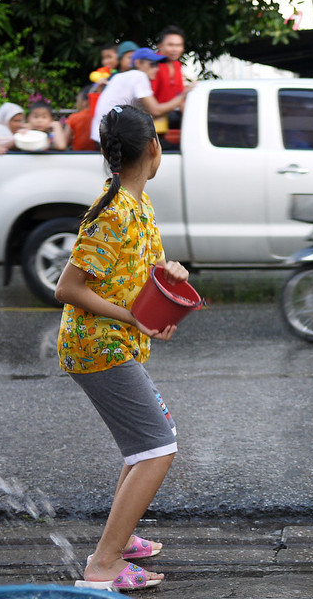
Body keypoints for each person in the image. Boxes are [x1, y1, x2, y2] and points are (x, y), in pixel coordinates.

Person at [55, 105, 186, 592]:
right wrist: (132, 317)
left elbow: (137, 273)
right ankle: (104, 565)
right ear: (154, 148)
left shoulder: (138, 205)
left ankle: (119, 539)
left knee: (145, 445)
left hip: (115, 344)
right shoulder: (111, 213)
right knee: (158, 447)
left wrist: (170, 278)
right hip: (95, 347)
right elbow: (67, 288)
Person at [89, 48, 191, 146]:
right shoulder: (138, 76)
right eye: (152, 64)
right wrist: (183, 95)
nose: (157, 68)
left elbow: (150, 112)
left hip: (103, 135)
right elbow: (156, 110)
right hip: (111, 137)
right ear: (138, 63)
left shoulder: (121, 76)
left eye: (157, 65)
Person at [150, 25, 188, 135]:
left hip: (170, 117)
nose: (175, 49)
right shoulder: (153, 66)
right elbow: (148, 103)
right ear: (160, 46)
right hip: (153, 119)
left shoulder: (177, 65)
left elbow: (180, 97)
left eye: (178, 45)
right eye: (170, 45)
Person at [65, 85, 97, 151]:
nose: (76, 104)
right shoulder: (101, 115)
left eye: (77, 100)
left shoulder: (74, 117)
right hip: (98, 154)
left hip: (78, 154)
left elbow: (65, 141)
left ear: (85, 102)